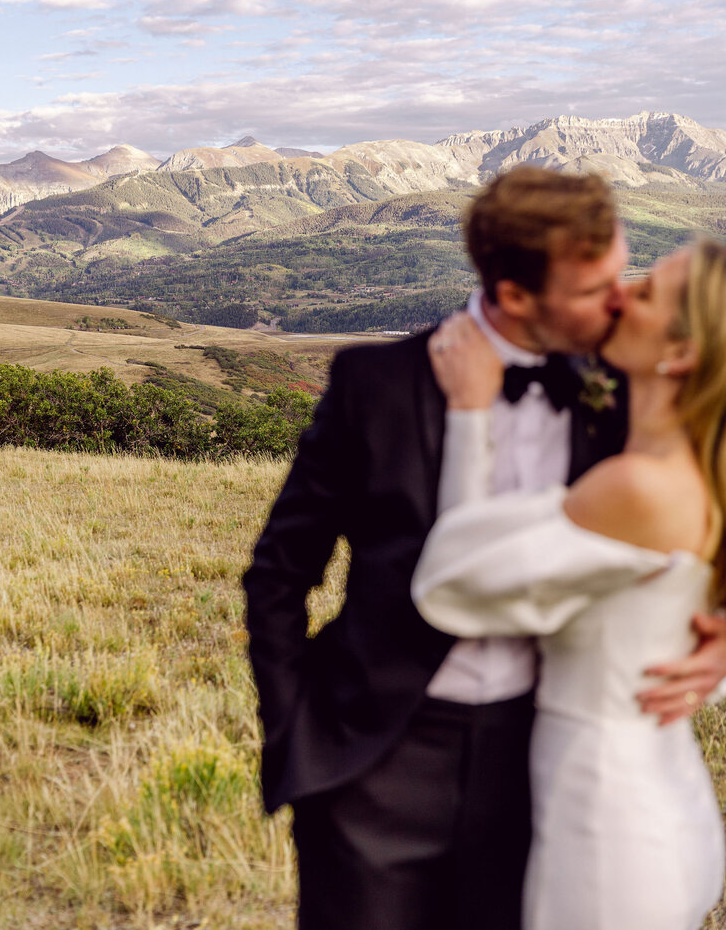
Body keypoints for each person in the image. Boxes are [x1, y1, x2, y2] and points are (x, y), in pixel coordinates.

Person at [243, 166, 726, 930]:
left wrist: (719, 635)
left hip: (541, 762)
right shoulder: (376, 382)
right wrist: (294, 725)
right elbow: (278, 571)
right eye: (594, 287)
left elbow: (705, 502)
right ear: (514, 296)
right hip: (376, 758)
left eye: (624, 274)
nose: (618, 298)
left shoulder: (632, 381)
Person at [412, 238, 726, 929]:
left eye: (645, 294)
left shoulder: (637, 488)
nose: (621, 293)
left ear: (680, 356)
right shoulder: (698, 469)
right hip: (661, 788)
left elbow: (451, 579)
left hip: (604, 814)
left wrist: (471, 410)